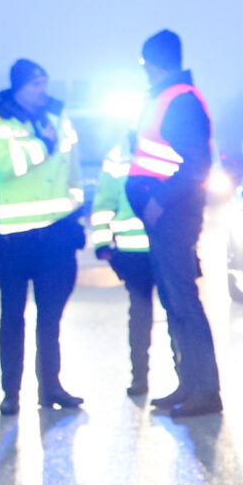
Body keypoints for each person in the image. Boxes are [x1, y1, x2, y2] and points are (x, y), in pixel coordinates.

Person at [0, 58, 83, 415]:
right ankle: (11, 393)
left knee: (50, 319)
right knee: (13, 317)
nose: (41, 91)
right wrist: (43, 144)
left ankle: (51, 387)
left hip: (55, 234)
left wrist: (75, 213)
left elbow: (74, 172)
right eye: (34, 85)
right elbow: (6, 167)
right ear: (18, 87)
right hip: (15, 238)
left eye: (44, 84)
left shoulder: (58, 120)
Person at [123, 29, 218, 416]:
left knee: (184, 303)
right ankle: (189, 385)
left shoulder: (180, 101)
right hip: (167, 217)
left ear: (153, 63)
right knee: (175, 303)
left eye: (145, 65)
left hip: (174, 215)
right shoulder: (167, 98)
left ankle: (206, 393)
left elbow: (197, 164)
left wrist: (159, 201)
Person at [87, 132, 175, 402]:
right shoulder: (120, 155)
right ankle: (140, 377)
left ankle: (182, 378)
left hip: (161, 246)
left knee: (174, 313)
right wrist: (103, 242)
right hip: (136, 250)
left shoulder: (163, 148)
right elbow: (105, 201)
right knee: (142, 315)